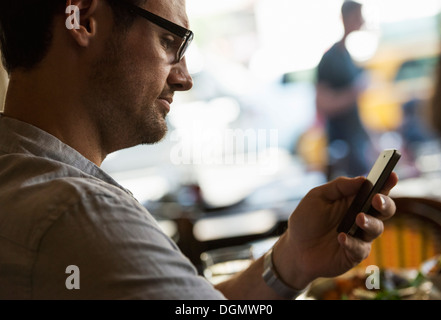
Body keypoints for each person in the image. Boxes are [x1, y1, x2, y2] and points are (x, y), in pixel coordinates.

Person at [0, 0, 398, 300]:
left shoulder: (19, 179)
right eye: (169, 40)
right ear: (83, 20)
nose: (185, 78)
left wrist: (292, 260)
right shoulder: (78, 213)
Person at [316, 0, 374, 180]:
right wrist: (355, 91)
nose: (363, 21)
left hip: (356, 139)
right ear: (346, 18)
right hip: (342, 144)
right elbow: (324, 105)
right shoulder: (330, 59)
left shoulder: (346, 55)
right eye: (358, 16)